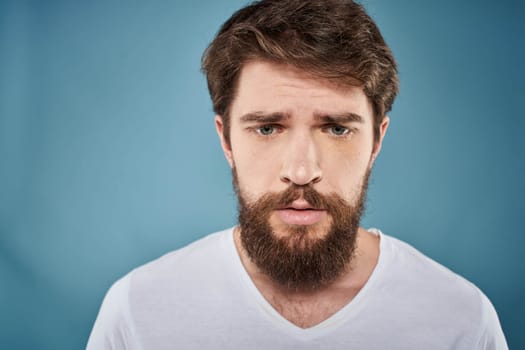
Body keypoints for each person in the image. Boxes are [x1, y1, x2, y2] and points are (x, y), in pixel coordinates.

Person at [87, 0, 508, 348]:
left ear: (376, 141)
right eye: (267, 128)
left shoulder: (461, 320)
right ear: (227, 140)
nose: (302, 171)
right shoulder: (139, 312)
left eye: (337, 128)